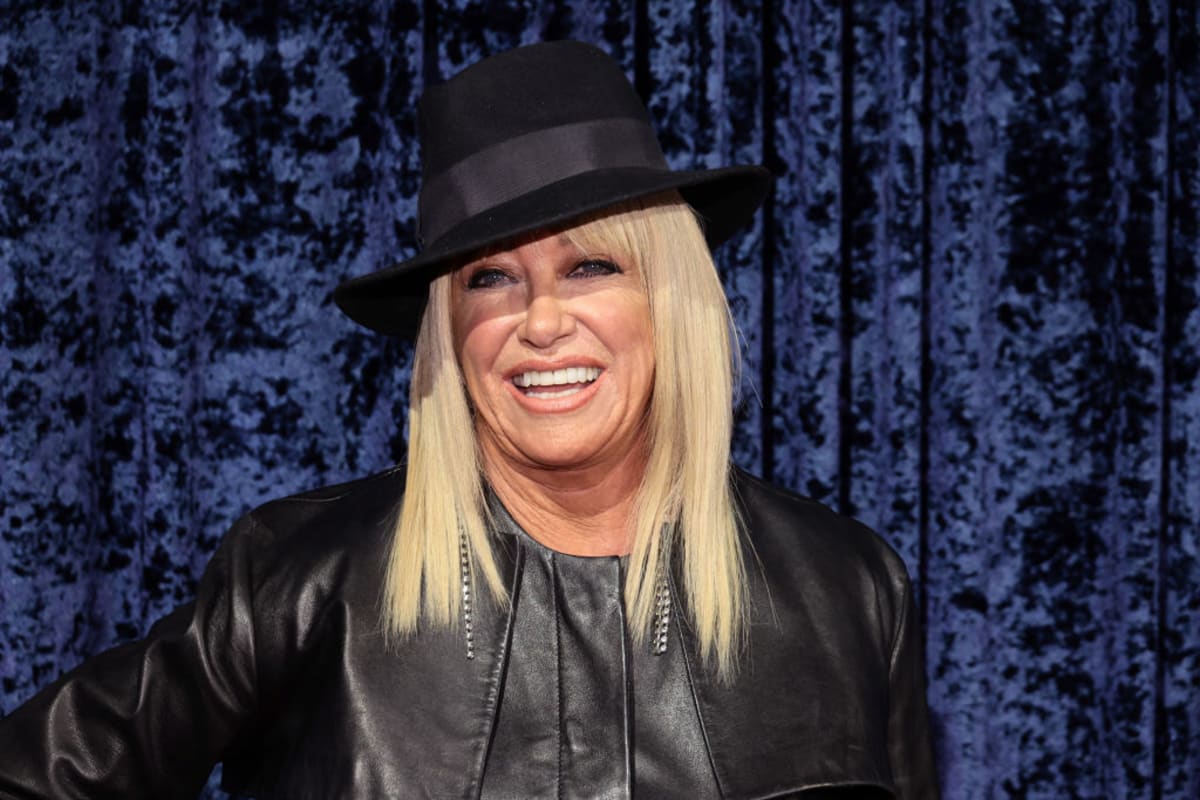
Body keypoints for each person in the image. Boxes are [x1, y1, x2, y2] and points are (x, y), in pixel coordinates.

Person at [0, 41, 939, 799]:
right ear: (448, 331)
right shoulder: (303, 580)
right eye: (491, 279)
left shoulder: (851, 592)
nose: (541, 322)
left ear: (668, 297)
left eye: (591, 267)